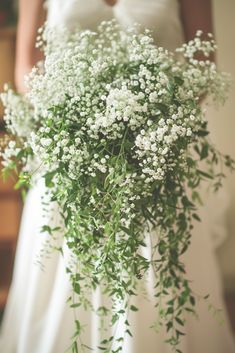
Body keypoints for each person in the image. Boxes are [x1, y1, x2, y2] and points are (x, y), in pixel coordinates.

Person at [0, 1, 235, 352]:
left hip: (158, 160)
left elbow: (203, 67)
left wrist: (148, 122)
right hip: (72, 158)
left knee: (161, 280)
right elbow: (27, 70)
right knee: (64, 286)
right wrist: (84, 125)